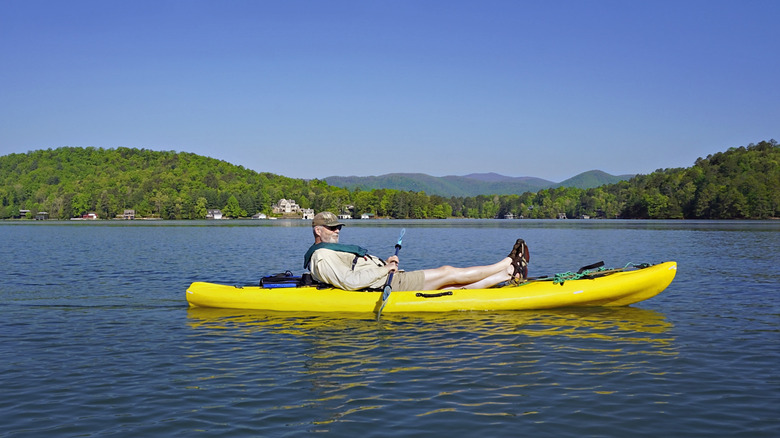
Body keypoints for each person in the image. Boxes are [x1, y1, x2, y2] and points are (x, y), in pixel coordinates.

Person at [303, 211, 529, 291]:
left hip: (386, 279)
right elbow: (350, 281)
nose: (337, 232)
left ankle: (506, 275)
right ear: (317, 230)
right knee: (448, 272)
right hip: (386, 285)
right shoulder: (321, 256)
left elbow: (355, 270)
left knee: (452, 284)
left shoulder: (328, 250)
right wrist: (386, 271)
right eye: (332, 228)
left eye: (338, 227)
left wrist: (384, 264)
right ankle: (508, 263)